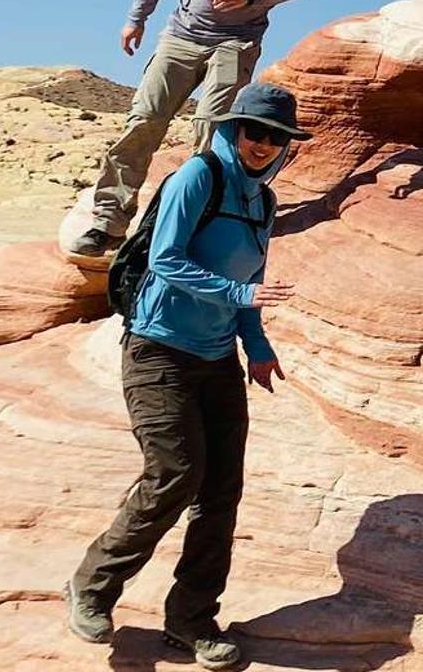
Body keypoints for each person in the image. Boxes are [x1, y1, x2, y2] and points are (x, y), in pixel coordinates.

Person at [64, 82, 310, 671]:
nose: (263, 144)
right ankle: (92, 586)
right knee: (175, 474)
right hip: (158, 350)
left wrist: (257, 346)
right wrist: (238, 294)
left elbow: (251, 283)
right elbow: (166, 259)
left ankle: (191, 621)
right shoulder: (198, 177)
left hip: (217, 357)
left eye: (275, 137)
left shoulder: (263, 201)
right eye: (254, 131)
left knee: (221, 492)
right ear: (233, 129)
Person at [68, 0, 307, 259]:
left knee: (212, 131)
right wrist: (136, 17)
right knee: (143, 120)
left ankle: (197, 224)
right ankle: (108, 222)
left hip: (237, 39)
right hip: (182, 34)